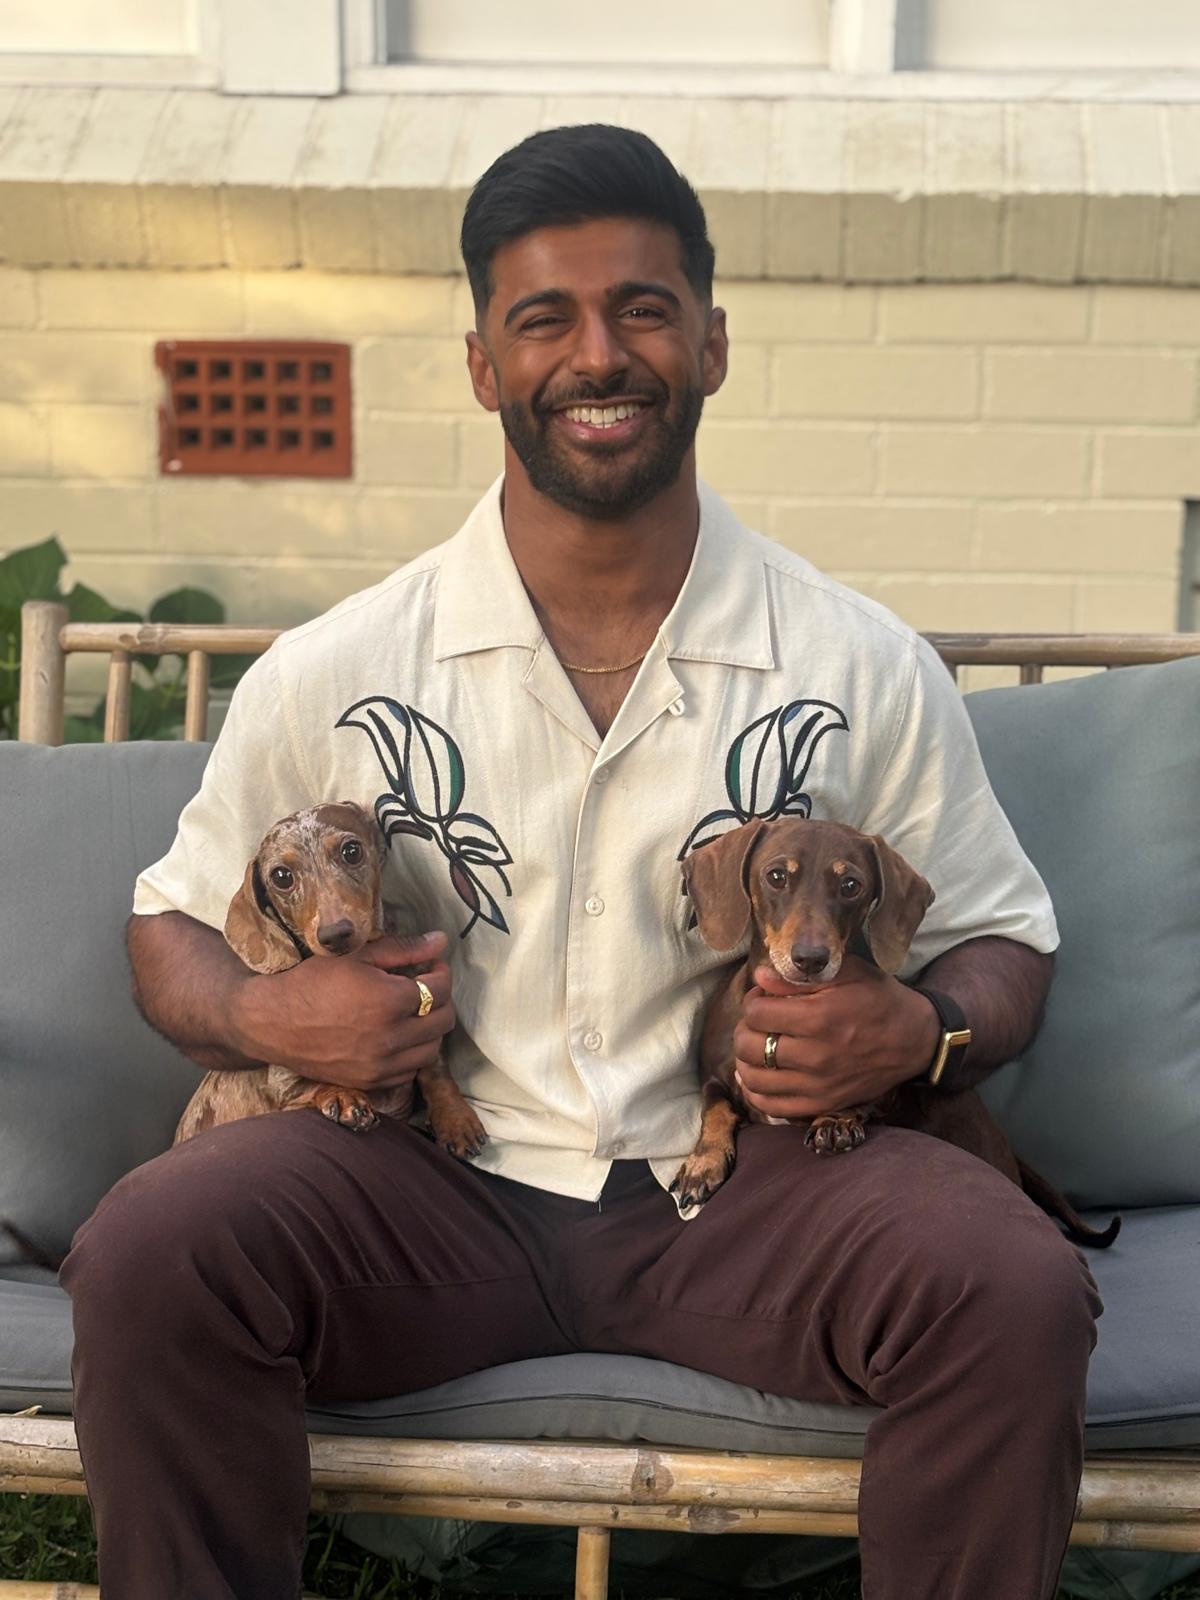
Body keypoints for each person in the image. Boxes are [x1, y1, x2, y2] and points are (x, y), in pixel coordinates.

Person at [62, 124, 1100, 1600]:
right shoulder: (341, 664)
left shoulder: (855, 660)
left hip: (756, 1191)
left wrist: (919, 1028)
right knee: (153, 1248)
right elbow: (172, 930)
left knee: (1010, 1285)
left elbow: (1005, 943)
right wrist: (261, 1013)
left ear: (714, 345)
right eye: (544, 319)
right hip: (420, 1177)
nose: (597, 355)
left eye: (644, 310)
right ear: (484, 364)